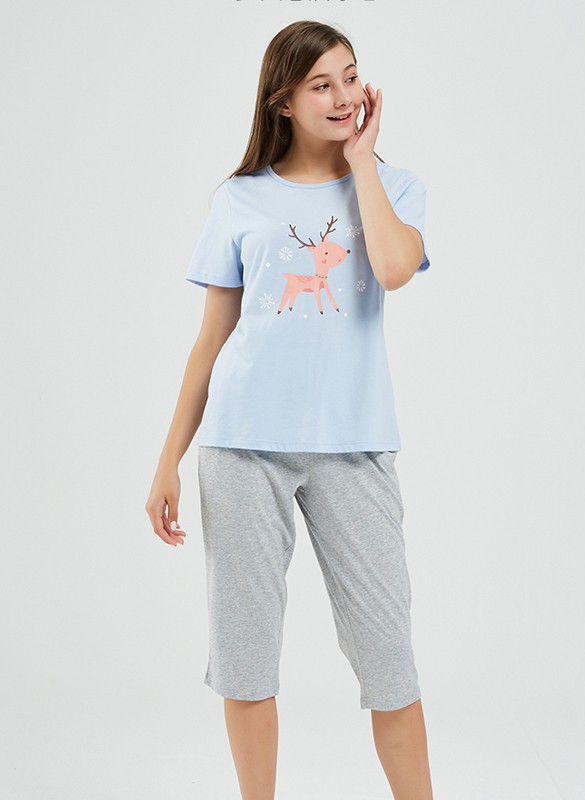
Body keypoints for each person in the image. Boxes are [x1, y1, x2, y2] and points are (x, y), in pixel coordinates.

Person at [146, 19, 434, 800]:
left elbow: (394, 268)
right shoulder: (239, 199)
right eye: (321, 84)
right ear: (283, 101)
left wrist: (362, 162)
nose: (344, 96)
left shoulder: (395, 185)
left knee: (389, 660)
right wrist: (168, 460)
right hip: (241, 447)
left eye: (351, 77)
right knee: (246, 656)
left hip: (355, 447)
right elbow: (211, 341)